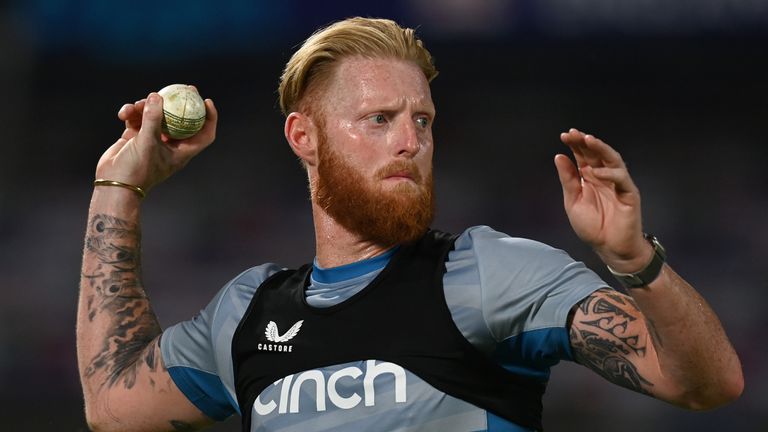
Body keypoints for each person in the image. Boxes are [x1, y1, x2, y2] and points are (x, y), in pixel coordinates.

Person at [76, 17, 743, 432]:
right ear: (303, 136)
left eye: (421, 121)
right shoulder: (247, 314)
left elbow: (706, 385)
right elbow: (112, 404)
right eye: (379, 120)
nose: (411, 142)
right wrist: (120, 186)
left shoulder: (491, 275)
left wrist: (635, 261)